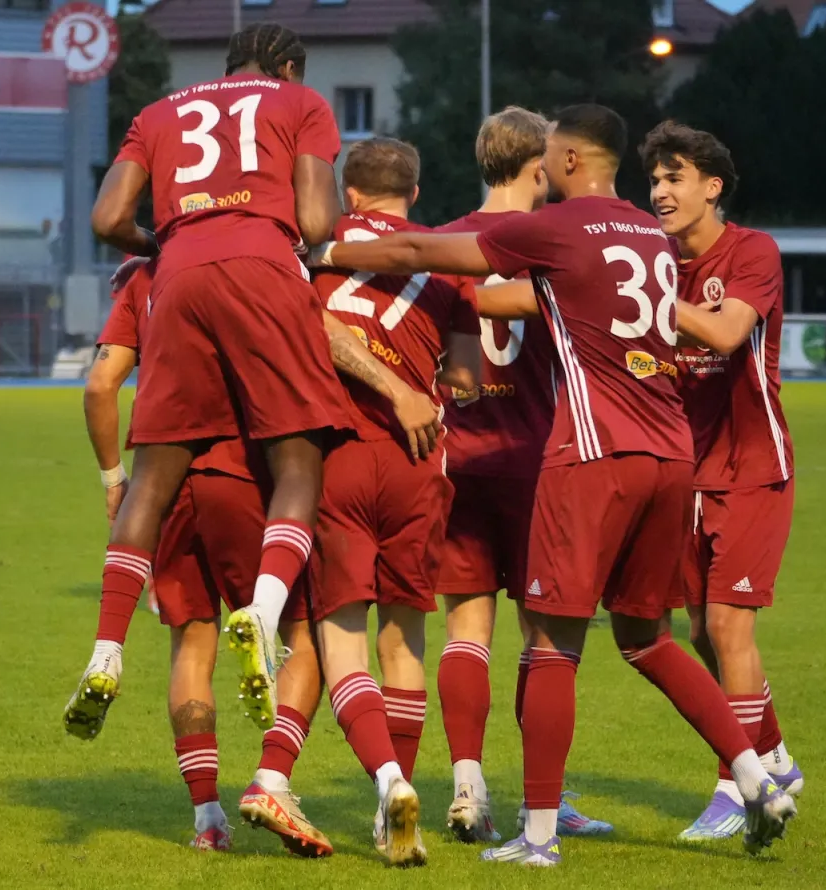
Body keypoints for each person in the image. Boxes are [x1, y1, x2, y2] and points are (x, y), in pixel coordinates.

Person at [311, 104, 798, 866]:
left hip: (589, 457)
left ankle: (537, 834)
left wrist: (323, 249)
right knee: (648, 638)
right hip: (673, 453)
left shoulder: (556, 229)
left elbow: (412, 249)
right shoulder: (653, 237)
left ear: (566, 161)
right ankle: (757, 776)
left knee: (546, 645)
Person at [69, 21, 442, 737]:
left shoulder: (158, 112)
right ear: (290, 68)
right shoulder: (300, 105)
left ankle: (106, 650)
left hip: (176, 278)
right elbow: (311, 217)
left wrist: (167, 242)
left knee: (153, 476)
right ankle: (263, 616)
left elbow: (108, 216)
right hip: (264, 271)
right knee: (299, 459)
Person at [79, 253, 440, 856]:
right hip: (239, 471)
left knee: (192, 646)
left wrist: (114, 477)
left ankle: (207, 820)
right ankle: (277, 776)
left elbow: (99, 384)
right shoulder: (259, 266)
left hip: (163, 480)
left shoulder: (147, 275)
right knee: (307, 641)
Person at [237, 138, 479, 868]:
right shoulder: (442, 262)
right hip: (419, 461)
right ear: (414, 188)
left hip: (339, 459)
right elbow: (465, 377)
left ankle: (392, 782)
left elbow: (313, 325)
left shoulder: (316, 247)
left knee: (339, 639)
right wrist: (422, 380)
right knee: (405, 637)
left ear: (348, 194)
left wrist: (381, 383)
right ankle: (393, 814)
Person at [427, 107, 612, 844]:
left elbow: (446, 358)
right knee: (548, 641)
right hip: (541, 462)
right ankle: (549, 798)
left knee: (466, 627)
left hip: (461, 458)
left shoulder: (441, 242)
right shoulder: (559, 243)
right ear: (541, 166)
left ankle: (468, 784)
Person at [640, 121, 806, 840]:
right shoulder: (654, 262)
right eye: (653, 180)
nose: (660, 192)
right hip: (686, 469)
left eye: (674, 177)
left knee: (727, 625)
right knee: (704, 635)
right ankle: (773, 757)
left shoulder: (753, 252)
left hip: (752, 466)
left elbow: (729, 333)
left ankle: (736, 788)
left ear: (712, 186)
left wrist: (640, 300)